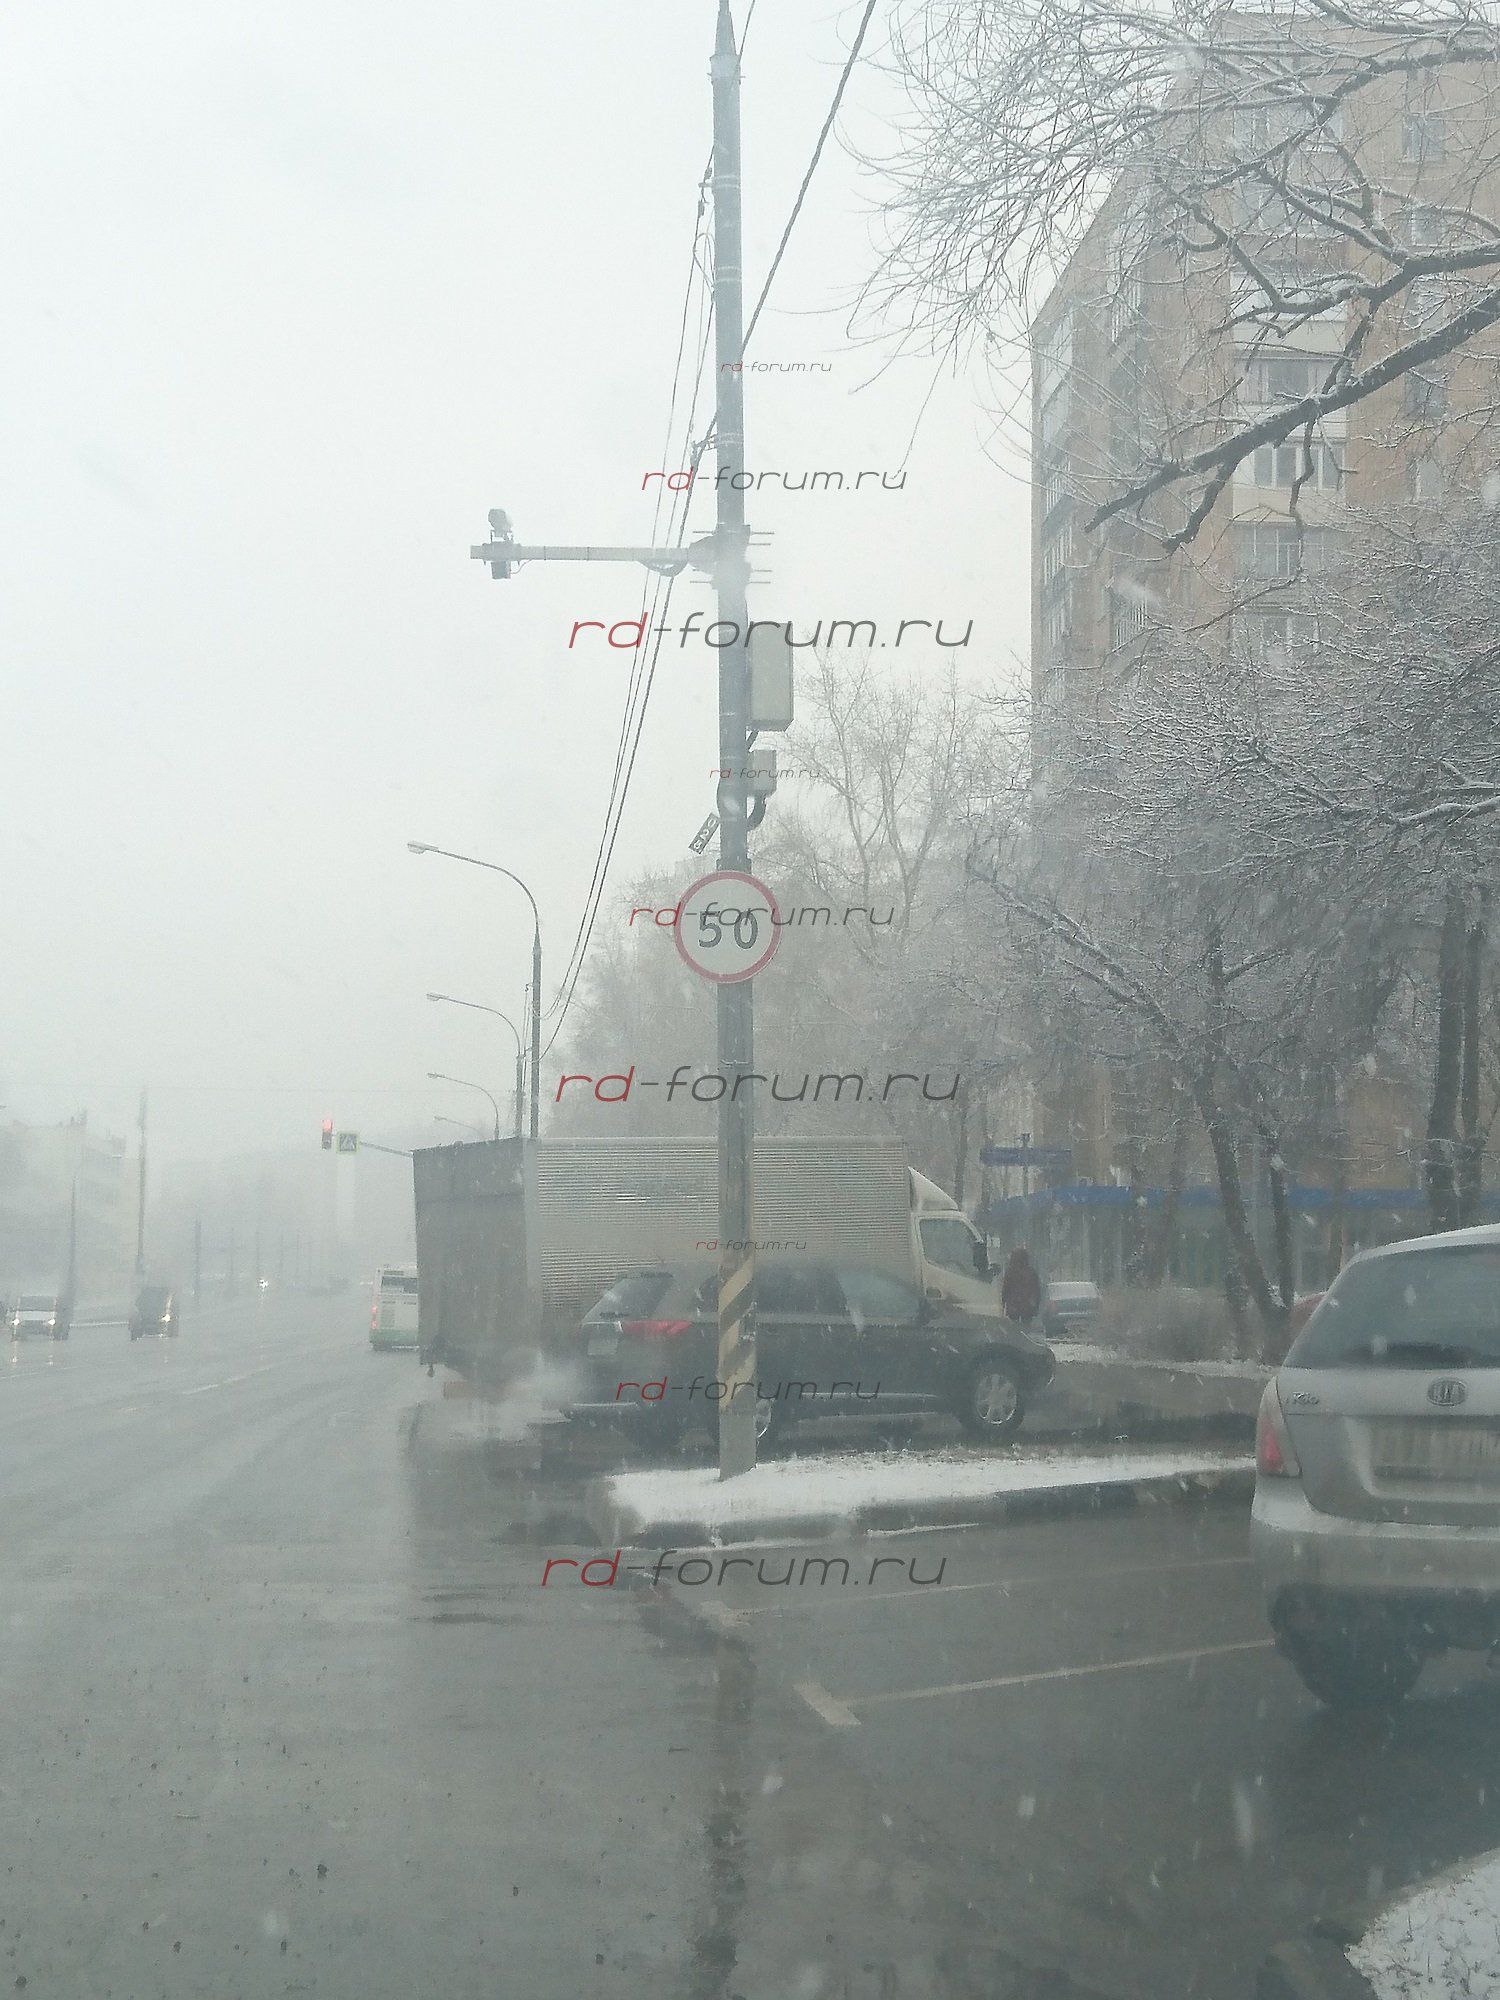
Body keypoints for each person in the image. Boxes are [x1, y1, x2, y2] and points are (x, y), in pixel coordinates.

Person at [1000, 1246, 1043, 1327]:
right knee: (1025, 1327)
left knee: (1014, 1327)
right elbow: (1037, 1291)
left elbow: (1005, 1289)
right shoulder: (1031, 1272)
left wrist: (1003, 1303)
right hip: (1026, 1306)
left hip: (1014, 1306)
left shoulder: (1010, 1272)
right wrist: (1035, 1306)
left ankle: (1017, 1333)